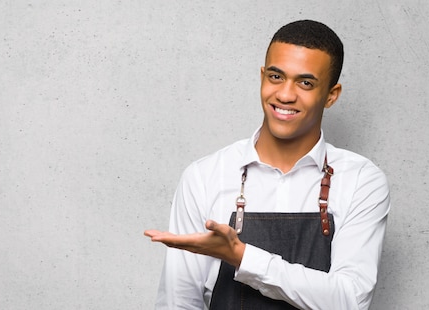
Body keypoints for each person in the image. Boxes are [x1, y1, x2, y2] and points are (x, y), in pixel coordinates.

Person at [144, 20, 390, 310]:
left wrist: (242, 256)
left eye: (305, 83)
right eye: (276, 76)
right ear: (262, 76)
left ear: (331, 95)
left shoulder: (361, 180)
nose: (285, 95)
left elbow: (350, 300)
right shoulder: (205, 176)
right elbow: (178, 302)